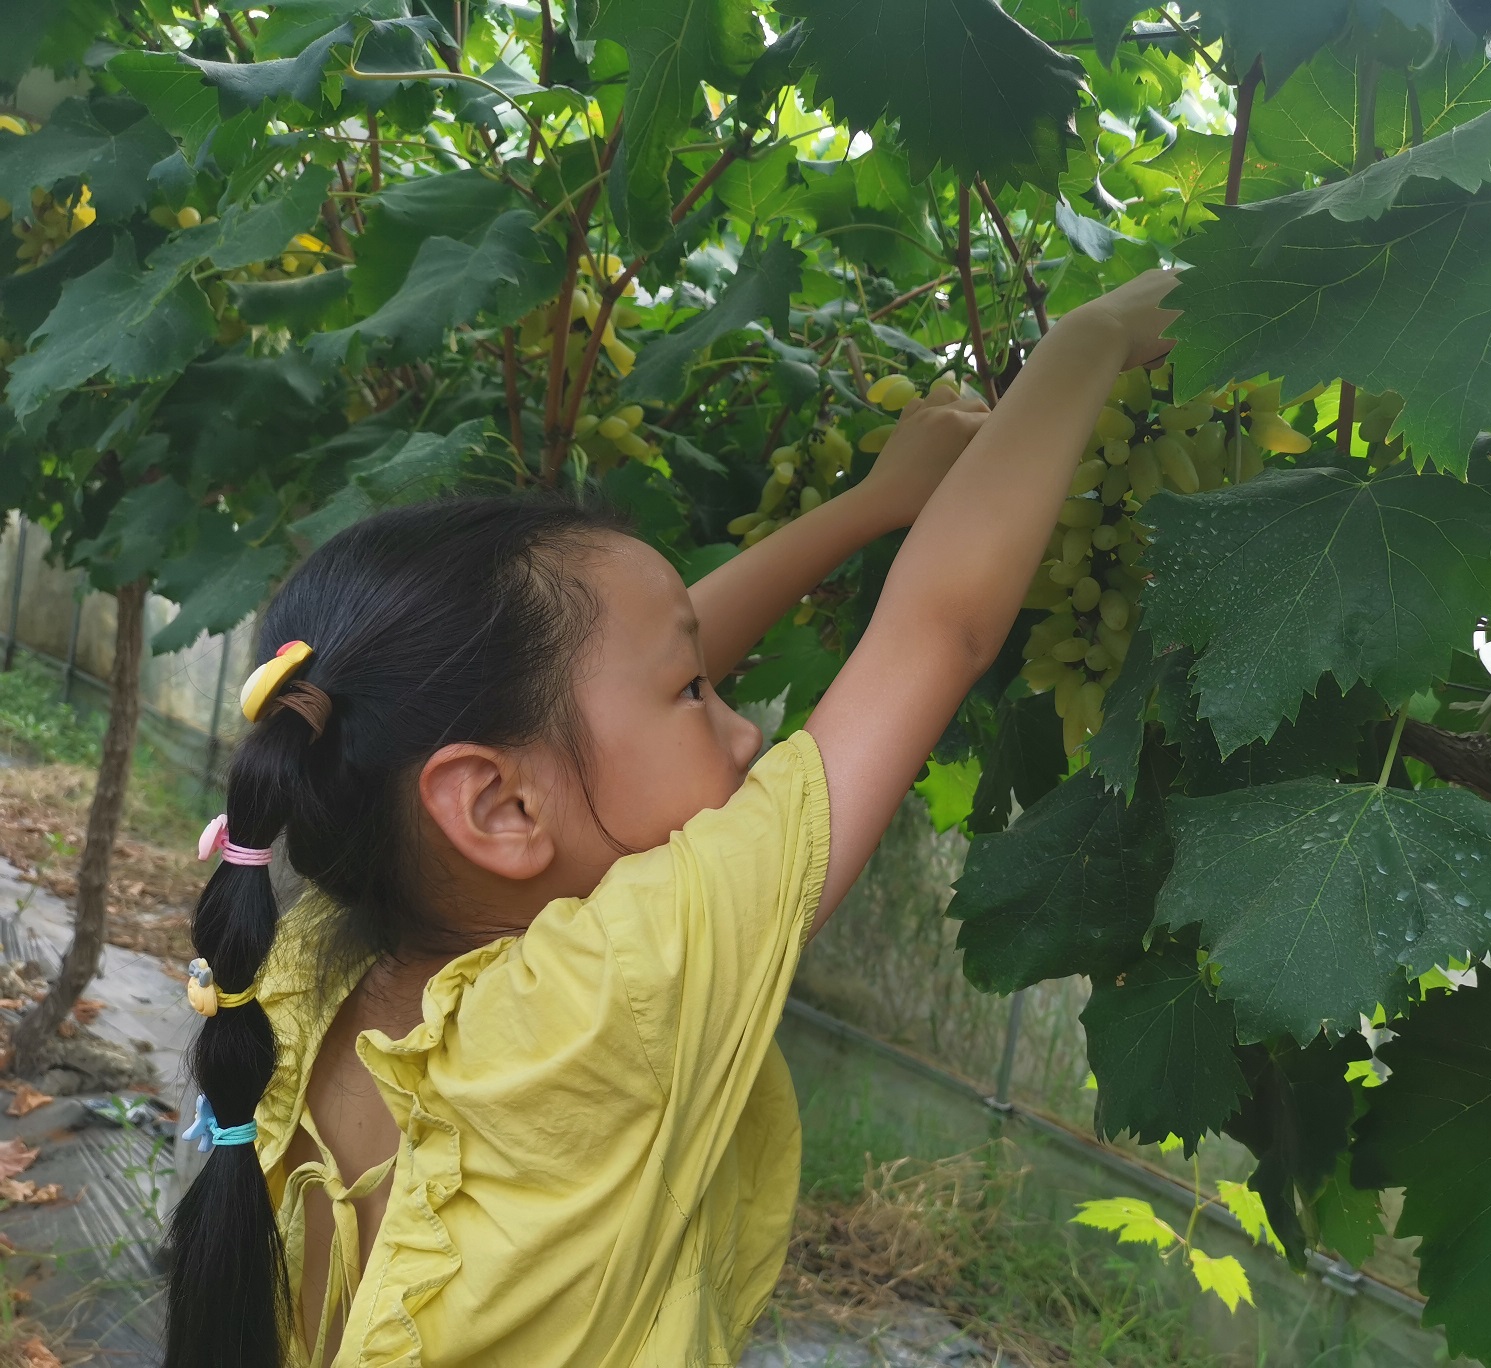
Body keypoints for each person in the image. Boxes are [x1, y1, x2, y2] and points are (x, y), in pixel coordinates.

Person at [162, 268, 1178, 1368]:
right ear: (496, 806)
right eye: (699, 698)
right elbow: (943, 629)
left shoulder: (303, 961)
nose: (746, 735)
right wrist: (1092, 340)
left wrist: (866, 506)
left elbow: (610, 697)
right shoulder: (618, 994)